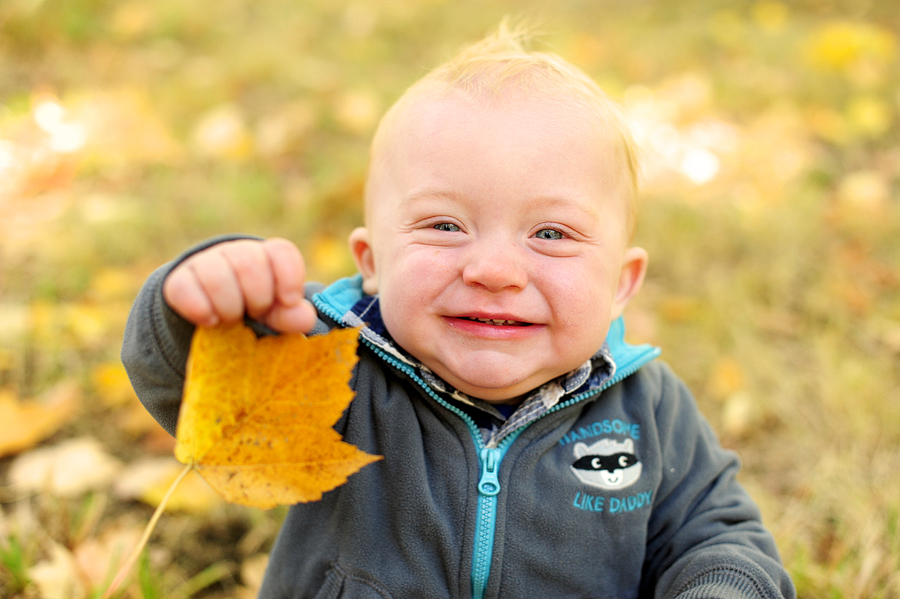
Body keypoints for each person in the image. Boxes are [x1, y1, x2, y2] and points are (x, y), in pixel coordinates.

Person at [122, 24, 796, 599]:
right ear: (372, 261)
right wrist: (202, 308)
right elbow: (187, 387)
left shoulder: (650, 412)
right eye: (445, 225)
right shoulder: (329, 367)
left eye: (551, 234)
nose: (494, 270)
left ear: (622, 282)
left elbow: (717, 533)